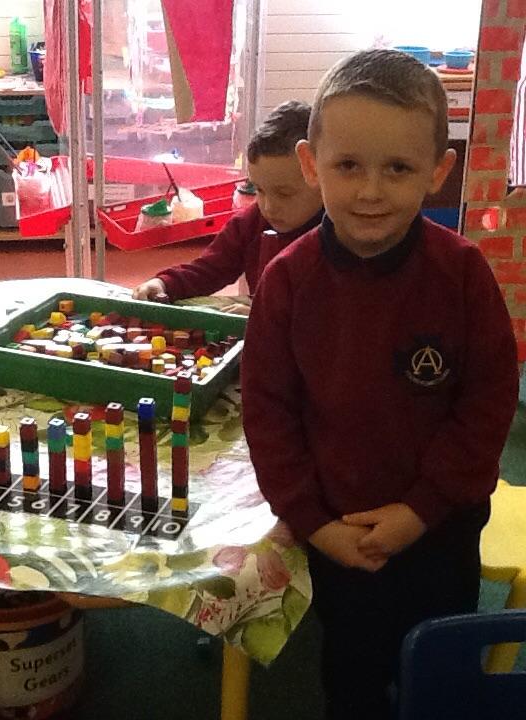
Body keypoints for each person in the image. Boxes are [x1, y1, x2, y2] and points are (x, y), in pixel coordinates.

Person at [241, 49, 519, 720]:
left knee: (437, 671)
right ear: (312, 164)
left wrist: (421, 509)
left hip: (439, 528)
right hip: (338, 529)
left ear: (437, 172)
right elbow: (268, 413)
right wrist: (313, 522)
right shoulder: (287, 281)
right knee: (352, 672)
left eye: (398, 168)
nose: (371, 192)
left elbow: (487, 405)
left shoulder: (463, 274)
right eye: (348, 166)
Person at [132, 101, 323, 314]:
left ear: (321, 178)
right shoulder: (249, 224)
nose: (269, 207)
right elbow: (210, 269)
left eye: (284, 194)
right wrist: (164, 284)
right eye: (259, 190)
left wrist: (265, 316)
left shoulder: (341, 233)